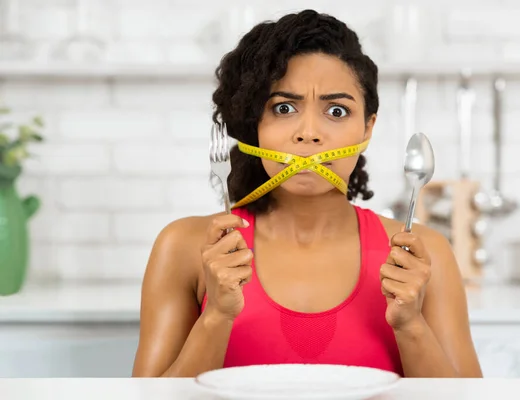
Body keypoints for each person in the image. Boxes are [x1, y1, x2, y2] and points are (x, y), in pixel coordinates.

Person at [131, 9, 482, 378]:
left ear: (367, 130)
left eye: (336, 110)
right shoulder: (185, 247)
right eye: (284, 108)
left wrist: (411, 326)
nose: (309, 133)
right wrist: (216, 316)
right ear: (255, 127)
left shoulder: (421, 254)